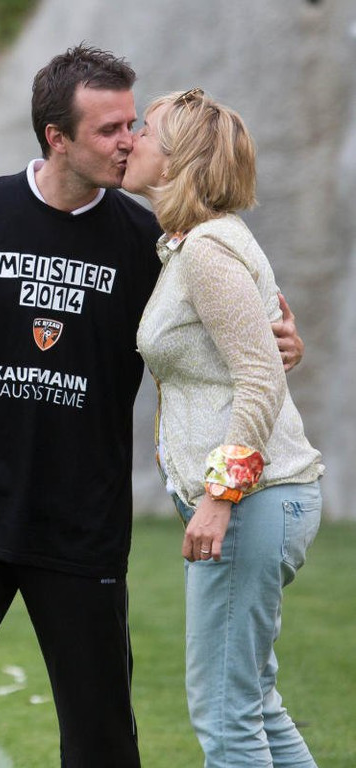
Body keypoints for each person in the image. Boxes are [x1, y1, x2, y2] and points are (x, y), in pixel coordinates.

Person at [0, 45, 303, 767]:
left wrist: (283, 341)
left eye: (133, 124)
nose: (128, 140)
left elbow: (236, 338)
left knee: (100, 727)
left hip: (81, 518)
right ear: (56, 137)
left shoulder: (153, 242)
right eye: (109, 129)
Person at [122, 88, 324, 767]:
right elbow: (264, 354)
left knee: (225, 715)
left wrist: (219, 494)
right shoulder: (194, 245)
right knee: (254, 704)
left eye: (145, 130)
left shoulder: (208, 248)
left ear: (177, 158)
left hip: (250, 502)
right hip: (259, 501)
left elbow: (261, 378)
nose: (130, 139)